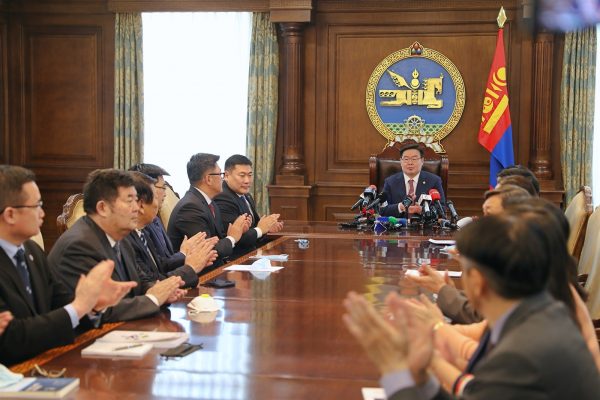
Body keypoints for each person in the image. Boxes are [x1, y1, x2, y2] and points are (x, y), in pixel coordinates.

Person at [343, 215, 600, 400]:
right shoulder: (543, 315)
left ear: (477, 282)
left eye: (464, 270)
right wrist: (422, 378)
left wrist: (394, 369)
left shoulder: (520, 356)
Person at [0, 165, 136, 365]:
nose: (42, 213)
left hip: (46, 361)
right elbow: (12, 338)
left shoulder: (31, 251)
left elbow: (60, 303)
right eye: (36, 205)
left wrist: (93, 305)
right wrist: (79, 307)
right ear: (10, 214)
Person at [49, 169, 184, 323]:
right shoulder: (79, 246)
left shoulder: (121, 236)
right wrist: (153, 299)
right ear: (102, 208)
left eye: (136, 200)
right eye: (129, 201)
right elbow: (100, 311)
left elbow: (139, 282)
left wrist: (160, 290)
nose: (137, 208)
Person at [408, 184, 531, 324]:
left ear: (514, 219)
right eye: (484, 214)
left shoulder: (519, 260)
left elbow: (481, 319)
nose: (482, 222)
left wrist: (442, 296)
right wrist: (449, 291)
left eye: (489, 215)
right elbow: (482, 307)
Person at [125, 172, 218, 288]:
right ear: (141, 205)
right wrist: (191, 268)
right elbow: (152, 284)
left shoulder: (142, 231)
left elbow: (160, 266)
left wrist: (185, 254)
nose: (159, 202)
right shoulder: (126, 240)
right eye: (156, 197)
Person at [168, 153, 248, 269]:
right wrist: (232, 237)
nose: (223, 178)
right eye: (220, 174)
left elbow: (217, 240)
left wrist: (238, 231)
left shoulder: (210, 202)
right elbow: (207, 251)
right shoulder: (190, 207)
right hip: (198, 275)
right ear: (209, 179)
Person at [213, 155, 283, 257]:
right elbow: (236, 238)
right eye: (242, 175)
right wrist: (261, 229)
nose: (247, 180)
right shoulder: (223, 197)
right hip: (236, 257)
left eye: (250, 175)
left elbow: (255, 227)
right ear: (226, 176)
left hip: (253, 252)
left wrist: (268, 227)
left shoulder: (246, 195)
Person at [380, 143, 445, 218]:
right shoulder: (390, 182)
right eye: (406, 159)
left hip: (424, 224)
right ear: (401, 161)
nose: (410, 163)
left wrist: (422, 210)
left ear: (422, 161)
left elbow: (442, 209)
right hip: (398, 224)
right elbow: (382, 210)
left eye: (414, 159)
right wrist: (400, 207)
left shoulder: (434, 181)